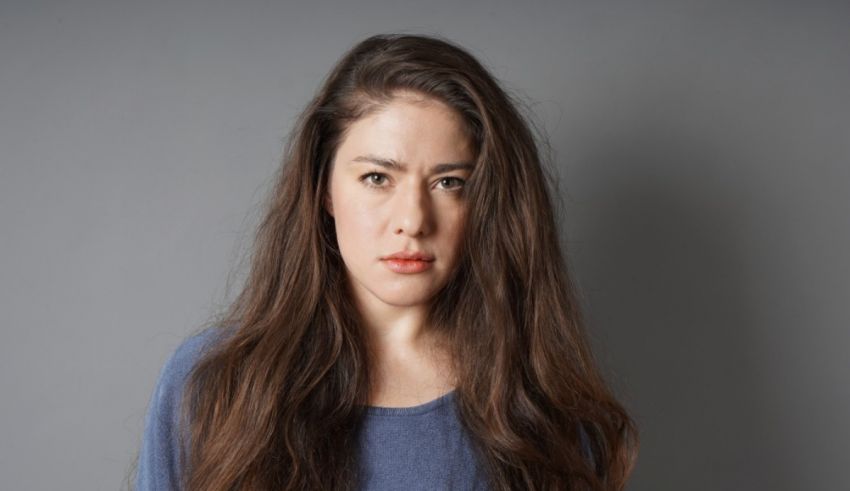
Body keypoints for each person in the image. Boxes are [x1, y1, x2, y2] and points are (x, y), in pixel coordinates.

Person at [133, 33, 638, 491]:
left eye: (449, 183)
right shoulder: (214, 384)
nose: (413, 220)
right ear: (323, 188)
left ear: (486, 203)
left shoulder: (540, 412)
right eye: (378, 177)